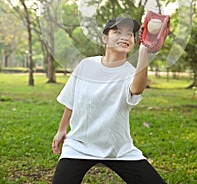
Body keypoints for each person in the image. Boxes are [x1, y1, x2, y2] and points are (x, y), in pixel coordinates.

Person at [52, 17, 167, 184]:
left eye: (129, 34)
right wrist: (62, 129)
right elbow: (71, 101)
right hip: (79, 146)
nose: (125, 37)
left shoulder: (131, 73)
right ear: (104, 38)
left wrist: (144, 51)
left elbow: (137, 89)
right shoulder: (86, 65)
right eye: (117, 32)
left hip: (118, 148)